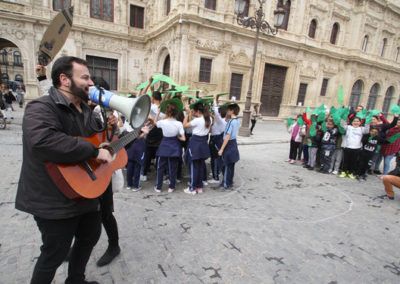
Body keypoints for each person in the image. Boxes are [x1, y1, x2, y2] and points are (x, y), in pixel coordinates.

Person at [15, 56, 115, 284]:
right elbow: (44, 140)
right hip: (52, 199)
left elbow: (94, 142)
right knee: (55, 252)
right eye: (85, 77)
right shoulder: (40, 107)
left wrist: (108, 143)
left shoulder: (86, 110)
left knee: (90, 236)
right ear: (64, 80)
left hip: (83, 192)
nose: (91, 83)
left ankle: (76, 280)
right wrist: (93, 150)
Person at [154, 99, 186, 193]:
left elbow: (155, 123)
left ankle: (158, 187)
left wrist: (158, 113)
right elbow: (183, 138)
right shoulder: (179, 123)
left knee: (160, 167)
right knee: (173, 167)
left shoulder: (163, 122)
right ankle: (171, 187)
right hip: (174, 145)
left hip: (164, 144)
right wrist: (177, 136)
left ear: (167, 112)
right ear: (176, 113)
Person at [183, 101, 212, 194]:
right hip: (203, 143)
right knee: (199, 166)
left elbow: (184, 125)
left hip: (195, 143)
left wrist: (187, 114)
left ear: (198, 111)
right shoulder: (209, 119)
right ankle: (199, 187)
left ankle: (192, 188)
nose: (194, 113)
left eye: (194, 111)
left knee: (193, 166)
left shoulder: (197, 120)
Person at [218, 103, 241, 190]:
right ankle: (229, 182)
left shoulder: (231, 122)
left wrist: (221, 149)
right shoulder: (237, 120)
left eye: (228, 110)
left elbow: (227, 136)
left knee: (226, 164)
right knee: (231, 164)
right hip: (233, 143)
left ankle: (225, 184)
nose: (227, 111)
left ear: (232, 111)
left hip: (229, 143)